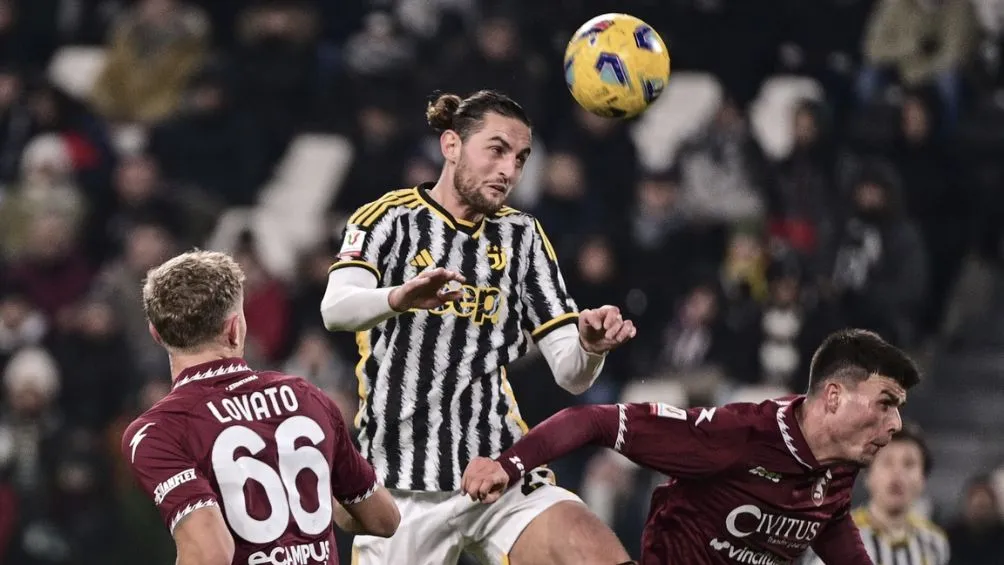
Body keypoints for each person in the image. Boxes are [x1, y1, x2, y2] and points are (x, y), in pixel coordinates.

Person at [320, 89, 637, 565]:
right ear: (451, 146)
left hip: (498, 467)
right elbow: (335, 308)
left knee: (591, 549)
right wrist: (401, 296)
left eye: (521, 158)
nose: (509, 170)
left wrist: (591, 346)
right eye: (497, 150)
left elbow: (571, 374)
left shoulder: (523, 236)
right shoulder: (387, 218)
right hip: (402, 484)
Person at [462, 328, 920, 564]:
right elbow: (593, 420)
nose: (895, 422)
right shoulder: (737, 436)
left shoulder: (838, 466)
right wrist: (509, 465)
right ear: (835, 396)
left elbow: (832, 524)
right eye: (885, 403)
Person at [122, 250, 401, 565]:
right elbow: (384, 518)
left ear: (156, 334)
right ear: (235, 327)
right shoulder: (307, 396)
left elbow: (210, 553)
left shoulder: (158, 431)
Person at [802, 424, 949, 565]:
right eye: (887, 462)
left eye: (909, 463)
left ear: (923, 479)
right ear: (868, 475)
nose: (897, 474)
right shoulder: (837, 539)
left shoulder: (934, 542)